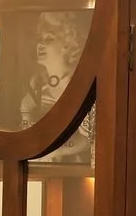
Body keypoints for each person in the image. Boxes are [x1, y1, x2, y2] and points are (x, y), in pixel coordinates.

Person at [19, 10, 92, 162]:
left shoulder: (79, 83)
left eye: (49, 39)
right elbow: (24, 117)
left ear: (67, 44)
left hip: (74, 166)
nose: (40, 45)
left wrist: (54, 152)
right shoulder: (37, 83)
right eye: (40, 39)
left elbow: (88, 140)